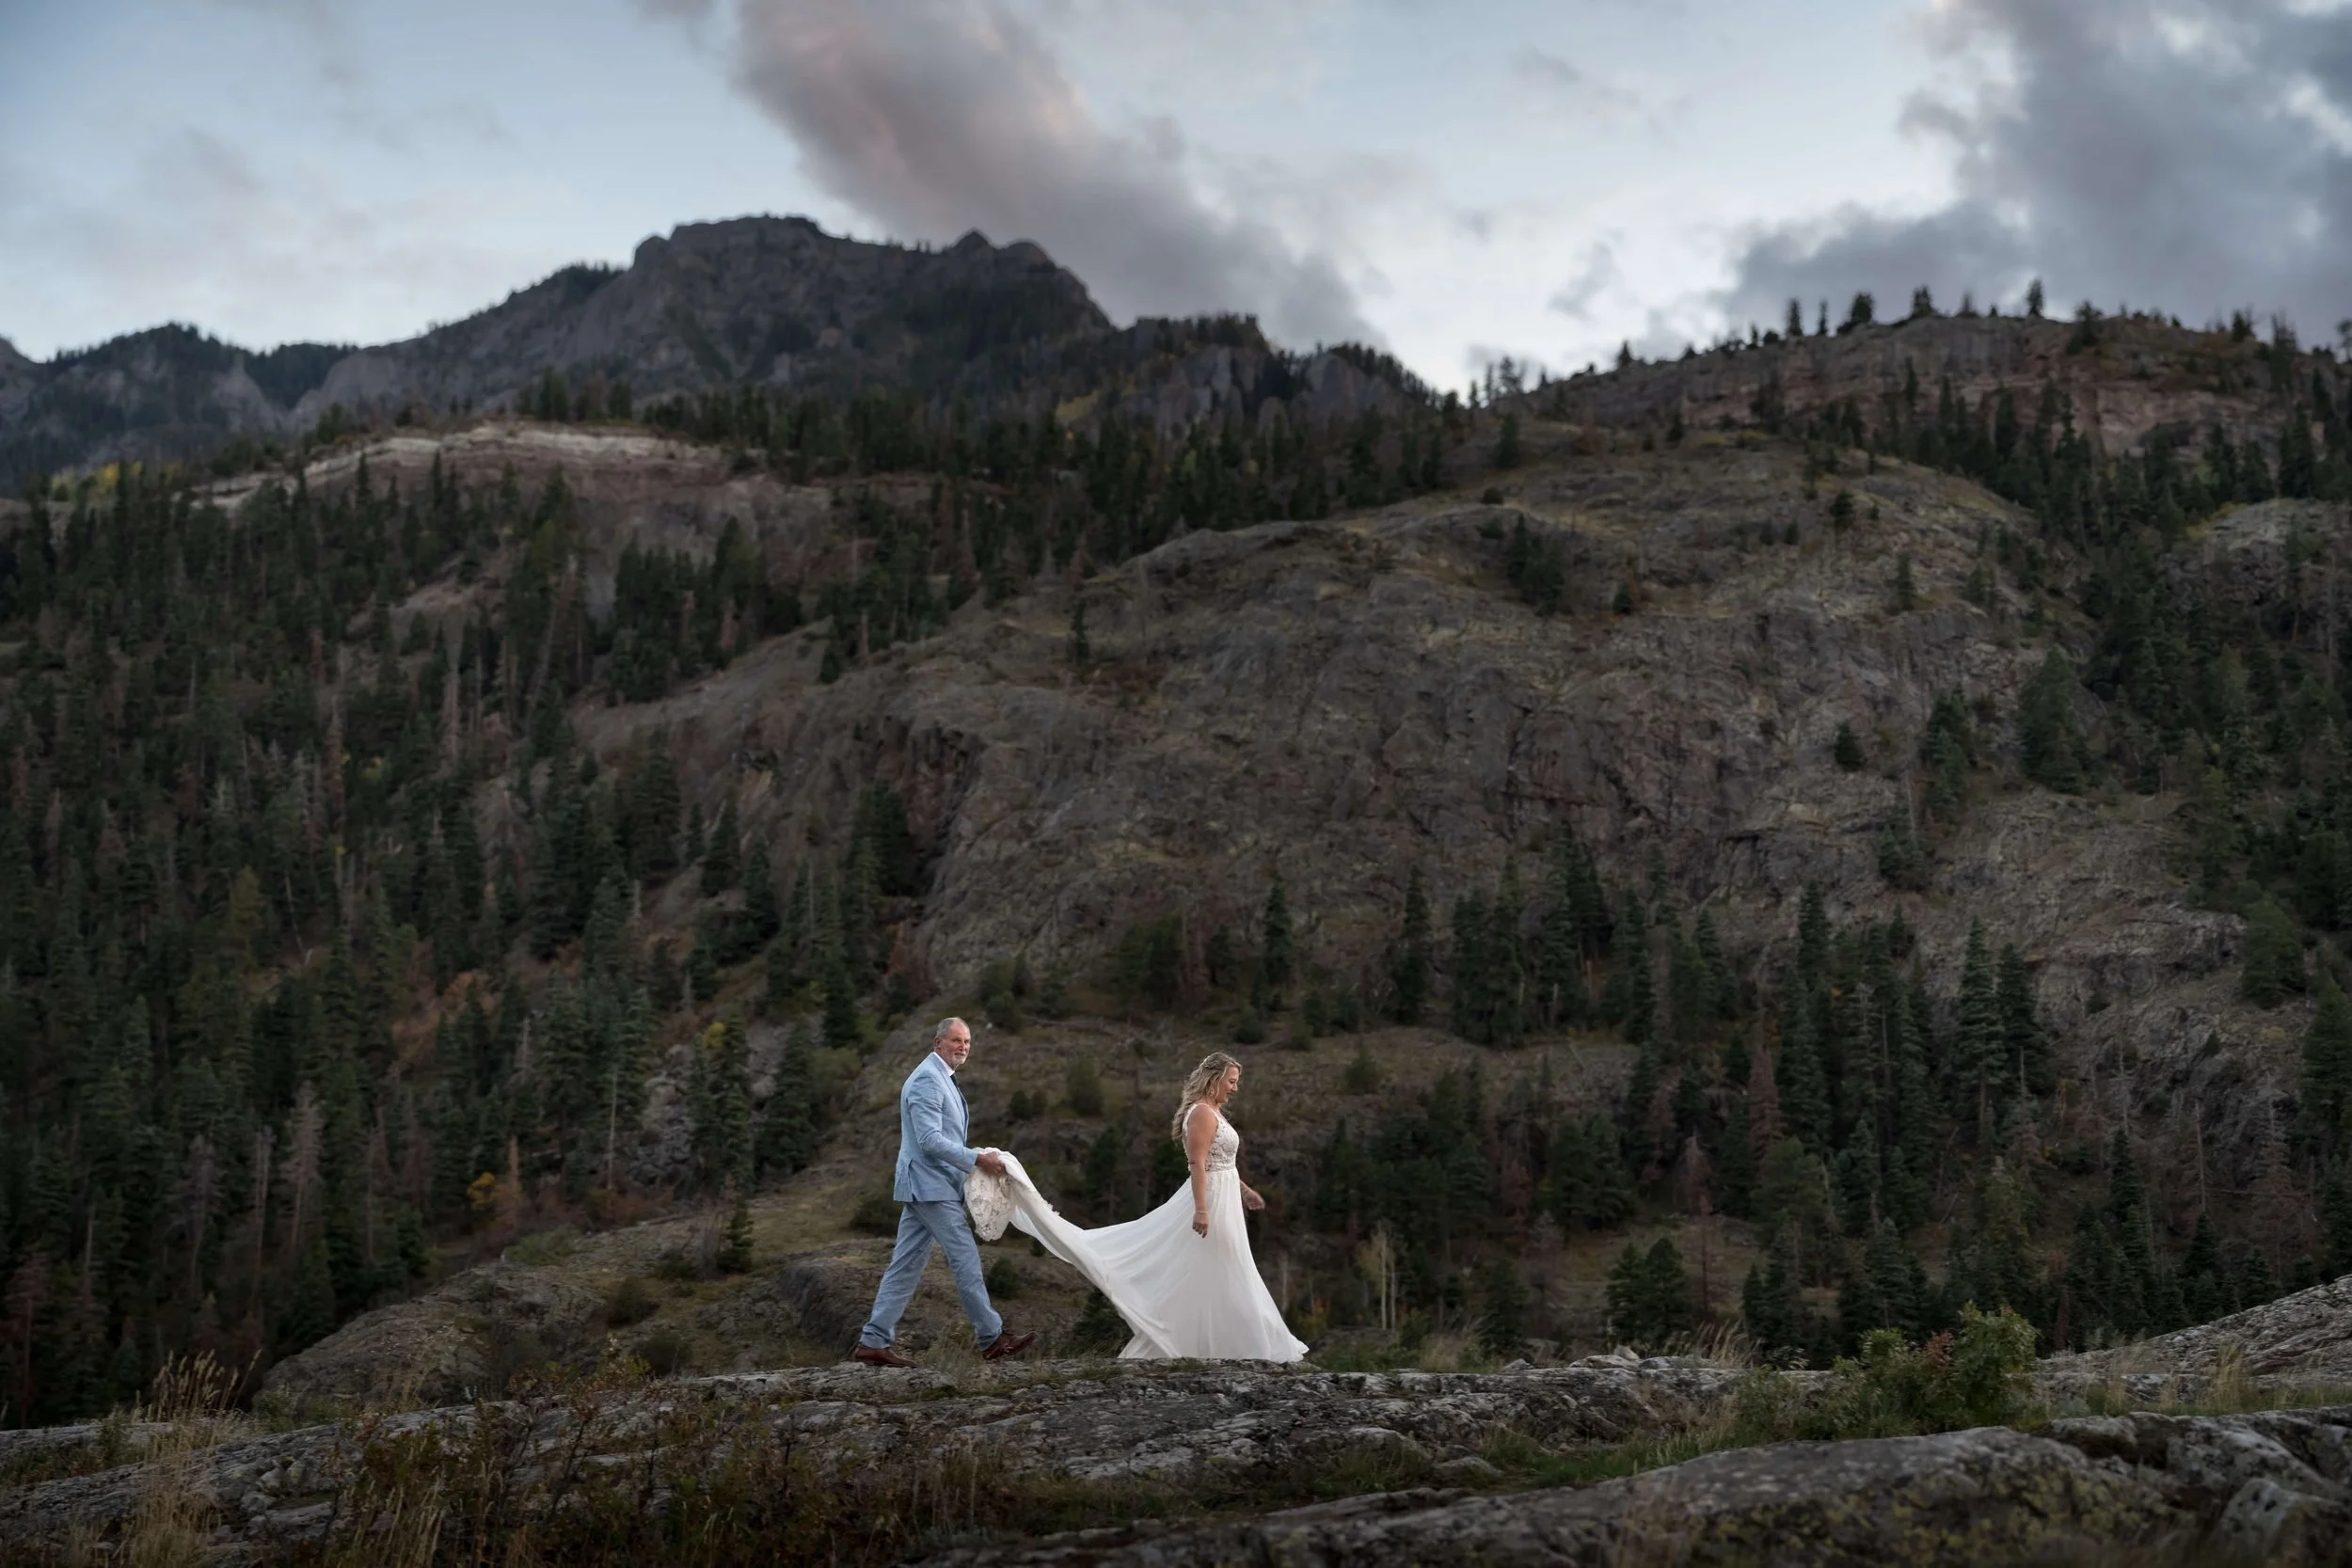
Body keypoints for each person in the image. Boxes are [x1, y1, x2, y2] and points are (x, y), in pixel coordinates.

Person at [980, 1051, 1307, 1361]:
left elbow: (1223, 1165)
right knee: (1230, 1268)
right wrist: (1202, 1209)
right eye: (1231, 1081)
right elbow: (1197, 1163)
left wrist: (1245, 1191)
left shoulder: (1214, 1111)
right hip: (1212, 1202)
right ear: (1214, 1078)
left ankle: (1227, 1343)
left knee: (1223, 1270)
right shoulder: (1203, 1114)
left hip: (1225, 1200)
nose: (1235, 1088)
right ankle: (1252, 1344)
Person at [851, 1017, 1036, 1367]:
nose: (963, 1047)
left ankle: (873, 1341)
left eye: (967, 1042)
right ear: (938, 1043)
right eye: (956, 1040)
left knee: (904, 1266)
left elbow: (941, 1139)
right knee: (965, 1259)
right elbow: (929, 1140)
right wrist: (977, 1159)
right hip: (930, 1187)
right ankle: (992, 1338)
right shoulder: (926, 1079)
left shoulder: (941, 1078)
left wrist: (973, 1156)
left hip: (928, 1186)